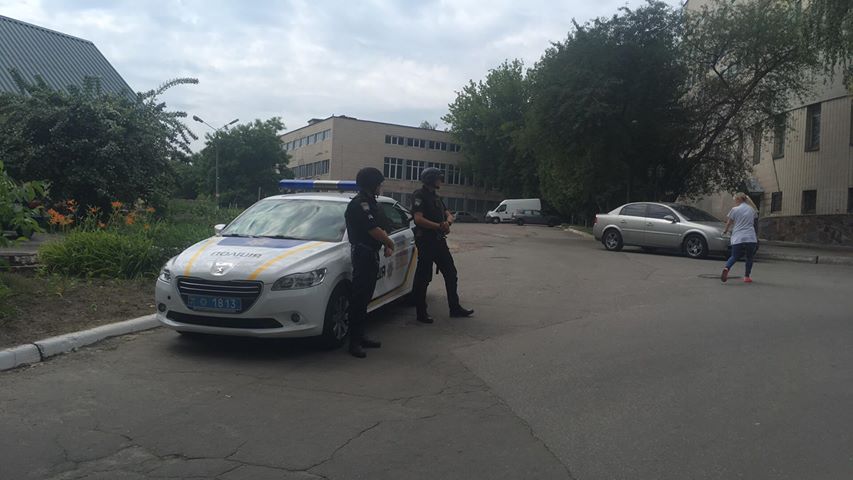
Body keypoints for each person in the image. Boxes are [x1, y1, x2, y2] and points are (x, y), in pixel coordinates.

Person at [410, 167, 474, 323]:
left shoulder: (436, 197)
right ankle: (421, 313)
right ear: (431, 179)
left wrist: (448, 223)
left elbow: (448, 214)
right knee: (423, 278)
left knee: (451, 274)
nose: (441, 181)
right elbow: (418, 219)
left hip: (439, 241)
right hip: (426, 242)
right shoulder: (419, 195)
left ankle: (455, 308)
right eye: (439, 178)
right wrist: (439, 226)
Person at [345, 167, 395, 358]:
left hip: (371, 253)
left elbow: (382, 226)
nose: (380, 187)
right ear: (371, 184)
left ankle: (361, 336)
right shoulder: (360, 204)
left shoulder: (372, 202)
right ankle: (354, 342)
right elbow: (373, 230)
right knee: (359, 300)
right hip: (362, 255)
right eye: (378, 184)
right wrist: (389, 243)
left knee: (365, 298)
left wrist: (386, 242)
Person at [721, 192, 759, 283]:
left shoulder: (735, 209)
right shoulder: (751, 209)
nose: (735, 201)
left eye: (735, 199)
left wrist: (725, 231)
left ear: (738, 199)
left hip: (738, 236)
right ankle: (747, 277)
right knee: (749, 257)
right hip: (750, 236)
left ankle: (727, 268)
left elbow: (729, 222)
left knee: (734, 256)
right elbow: (756, 216)